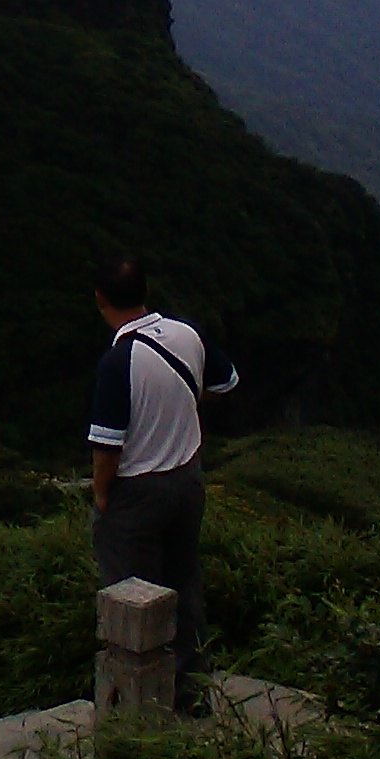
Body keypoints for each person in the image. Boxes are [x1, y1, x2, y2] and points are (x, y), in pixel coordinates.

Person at [86, 256, 239, 714]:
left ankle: (139, 707)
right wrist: (182, 402)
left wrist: (100, 494)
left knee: (131, 599)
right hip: (188, 482)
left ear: (100, 300)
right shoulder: (185, 334)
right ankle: (191, 694)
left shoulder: (117, 362)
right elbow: (226, 382)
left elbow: (107, 448)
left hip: (138, 492)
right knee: (184, 584)